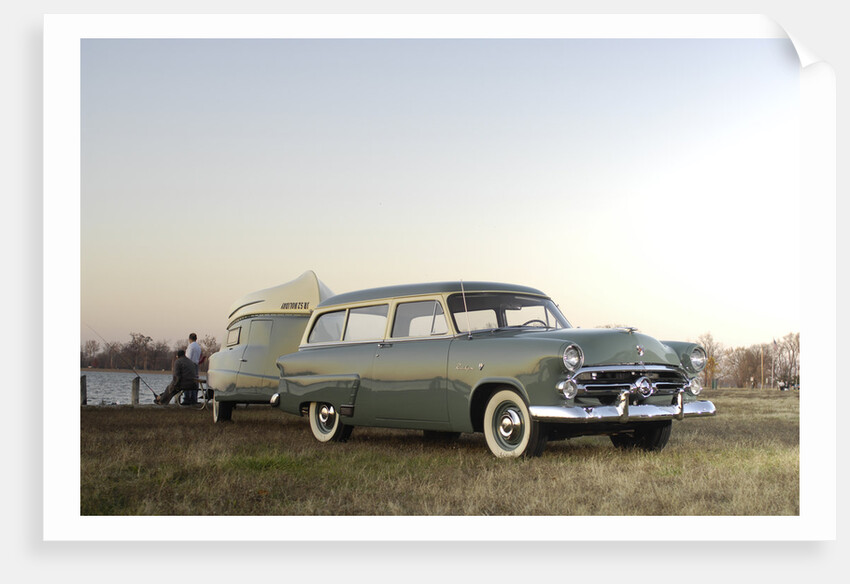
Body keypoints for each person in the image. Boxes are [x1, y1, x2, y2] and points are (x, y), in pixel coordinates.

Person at [185, 333, 202, 404]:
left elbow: (188, 357)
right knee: (195, 382)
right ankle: (194, 398)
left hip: (190, 365)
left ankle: (187, 398)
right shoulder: (198, 346)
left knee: (187, 381)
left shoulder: (191, 346)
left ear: (189, 339)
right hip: (196, 365)